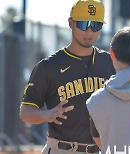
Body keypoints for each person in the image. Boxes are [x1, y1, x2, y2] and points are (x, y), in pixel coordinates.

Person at [19, 0, 115, 153]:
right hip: (61, 149)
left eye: (96, 25)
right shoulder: (48, 66)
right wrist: (46, 114)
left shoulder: (110, 63)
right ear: (70, 23)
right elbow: (25, 112)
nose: (89, 31)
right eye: (83, 24)